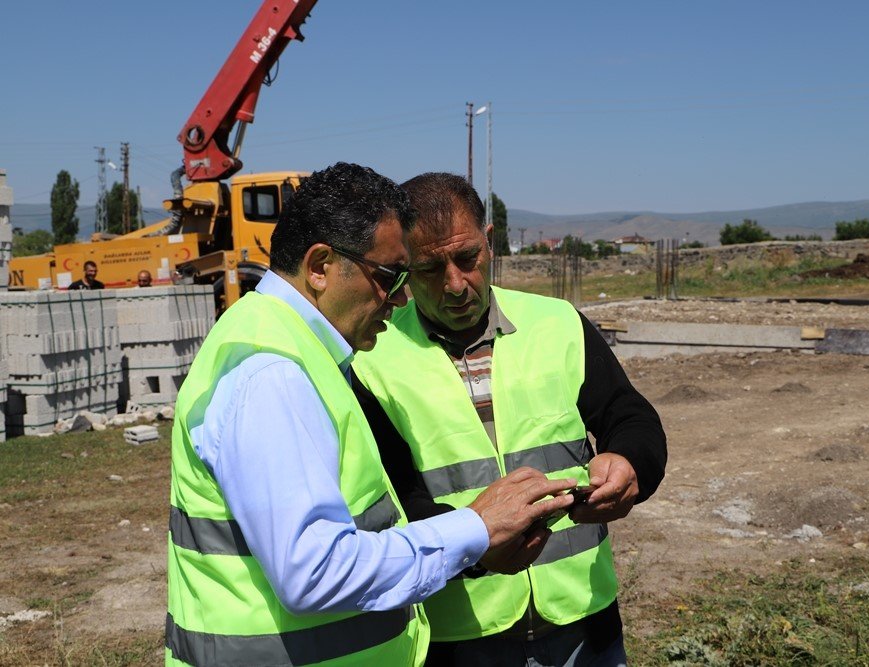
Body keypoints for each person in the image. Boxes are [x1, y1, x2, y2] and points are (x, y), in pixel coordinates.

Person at [166, 163, 579, 667]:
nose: (402, 297)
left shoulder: (298, 352)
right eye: (390, 276)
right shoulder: (271, 375)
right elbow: (313, 572)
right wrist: (475, 528)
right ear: (320, 266)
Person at [352, 172, 667, 666]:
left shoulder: (557, 322)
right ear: (403, 266)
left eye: (467, 259)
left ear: (490, 242)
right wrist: (476, 548)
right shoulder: (372, 358)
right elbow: (388, 503)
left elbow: (628, 414)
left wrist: (631, 463)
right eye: (431, 268)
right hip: (458, 637)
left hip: (585, 625)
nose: (455, 284)